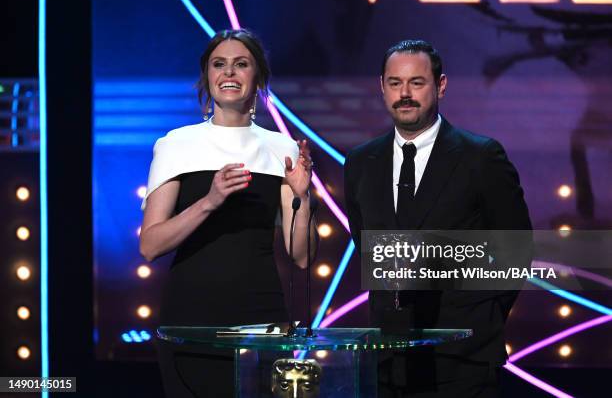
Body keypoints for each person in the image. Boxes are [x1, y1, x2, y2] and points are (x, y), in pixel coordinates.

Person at [344, 40, 532, 397]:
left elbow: (516, 251)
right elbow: (366, 246)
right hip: (388, 356)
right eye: (395, 83)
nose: (405, 94)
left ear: (440, 86)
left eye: (416, 83)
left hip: (463, 357)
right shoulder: (360, 162)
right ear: (381, 87)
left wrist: (481, 316)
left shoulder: (481, 156)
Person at [139, 29, 317, 397]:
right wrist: (209, 200)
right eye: (219, 65)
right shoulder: (176, 144)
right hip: (191, 317)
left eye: (241, 64)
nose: (229, 73)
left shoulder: (280, 147)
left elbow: (301, 256)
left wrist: (303, 197)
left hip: (260, 314)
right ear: (207, 76)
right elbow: (150, 245)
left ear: (258, 77)